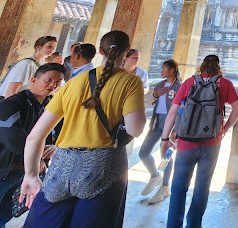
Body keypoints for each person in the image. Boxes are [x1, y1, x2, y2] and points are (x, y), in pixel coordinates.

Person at [19, 30, 147, 228]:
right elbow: (135, 129)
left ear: (99, 51)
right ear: (127, 51)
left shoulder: (73, 82)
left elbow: (34, 137)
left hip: (62, 165)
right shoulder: (130, 81)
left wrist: (31, 176)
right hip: (102, 169)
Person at [160, 54, 238, 228]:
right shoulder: (225, 83)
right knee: (202, 187)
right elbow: (237, 109)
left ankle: (173, 225)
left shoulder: (190, 82)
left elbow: (173, 112)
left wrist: (165, 138)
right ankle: (194, 224)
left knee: (179, 187)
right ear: (218, 67)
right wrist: (224, 129)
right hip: (212, 142)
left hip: (186, 142)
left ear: (202, 66)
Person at [0, 63, 65, 228]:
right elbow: (14, 138)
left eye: (58, 82)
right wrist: (37, 160)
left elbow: (64, 132)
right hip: (4, 169)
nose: (53, 85)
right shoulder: (11, 104)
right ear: (34, 80)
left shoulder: (51, 105)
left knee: (7, 212)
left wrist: (57, 146)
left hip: (24, 173)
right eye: (48, 80)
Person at [139, 59, 182, 204]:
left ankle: (165, 187)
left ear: (171, 70)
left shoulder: (179, 87)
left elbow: (182, 109)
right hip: (157, 123)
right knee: (143, 152)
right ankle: (154, 176)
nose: (162, 71)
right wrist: (156, 94)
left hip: (170, 125)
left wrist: (177, 130)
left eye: (164, 68)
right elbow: (149, 101)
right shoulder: (160, 84)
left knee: (166, 155)